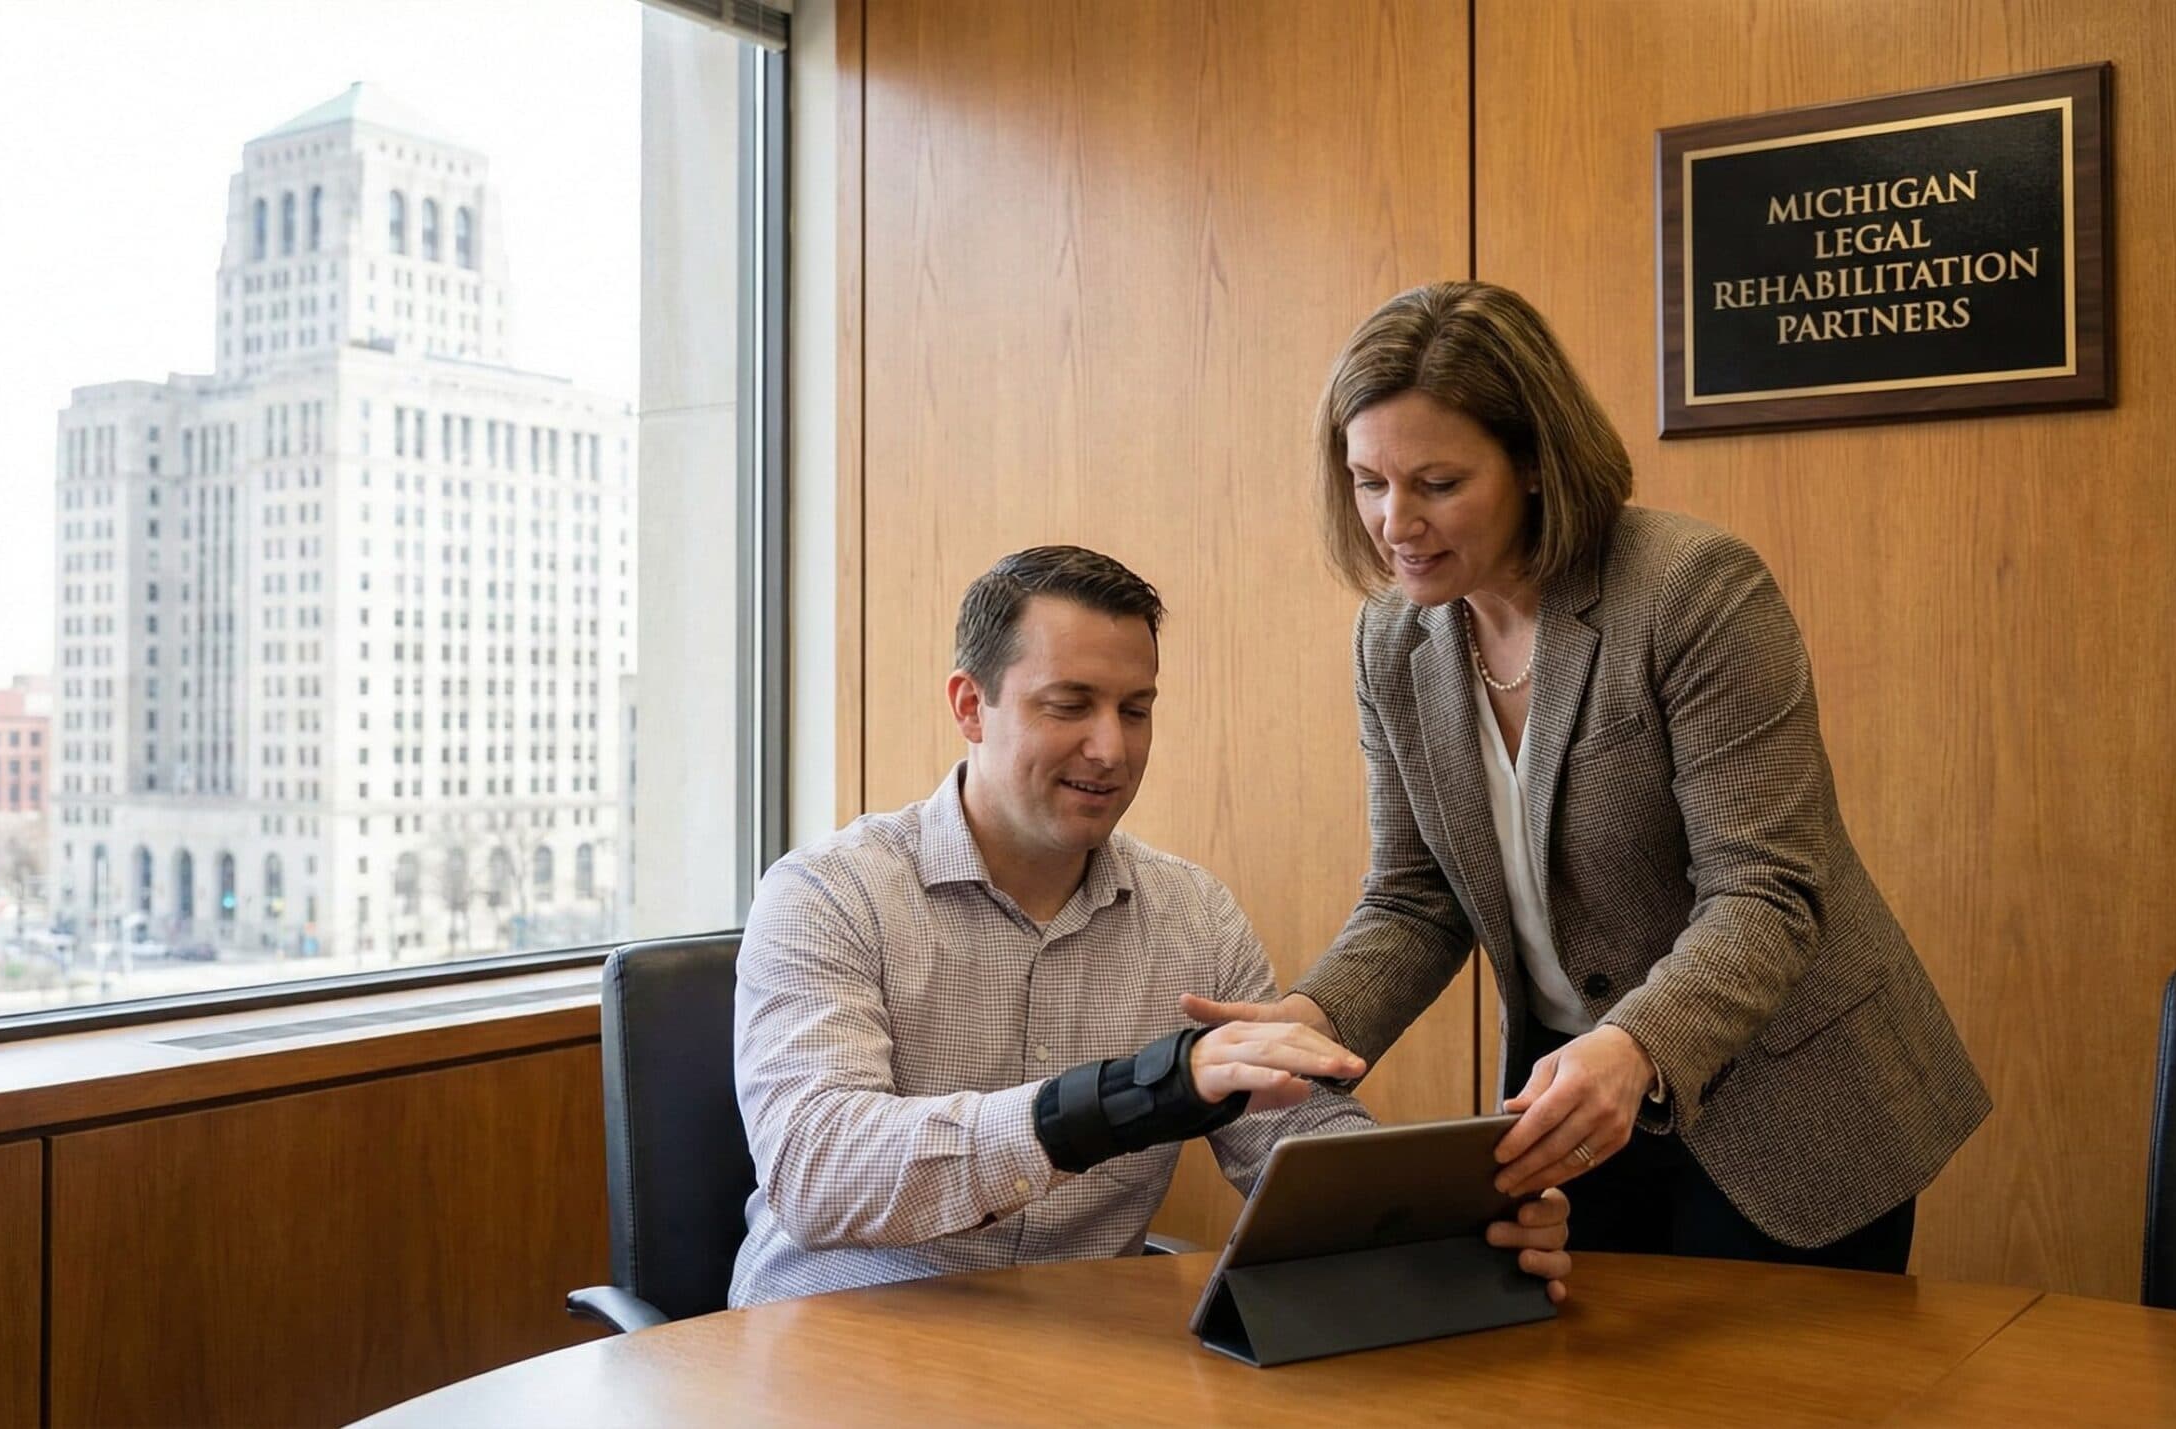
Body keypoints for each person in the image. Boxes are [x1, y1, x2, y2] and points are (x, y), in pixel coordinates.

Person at [1187, 282, 1990, 1272]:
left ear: (1531, 462)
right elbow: (1415, 896)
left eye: (1436, 483)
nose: (1394, 521)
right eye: (1367, 481)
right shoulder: (1390, 638)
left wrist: (1637, 1045)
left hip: (1784, 1098)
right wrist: (1313, 1020)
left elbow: (1764, 891)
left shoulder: (1692, 589)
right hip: (1571, 1101)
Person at [728, 545, 1572, 1307]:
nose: (1111, 748)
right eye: (1071, 705)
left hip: (1075, 1365)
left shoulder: (1193, 914)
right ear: (969, 705)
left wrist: (1464, 1218)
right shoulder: (829, 893)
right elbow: (817, 1167)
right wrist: (1115, 1102)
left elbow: (1290, 1136)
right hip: (834, 1344)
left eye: (1136, 710)